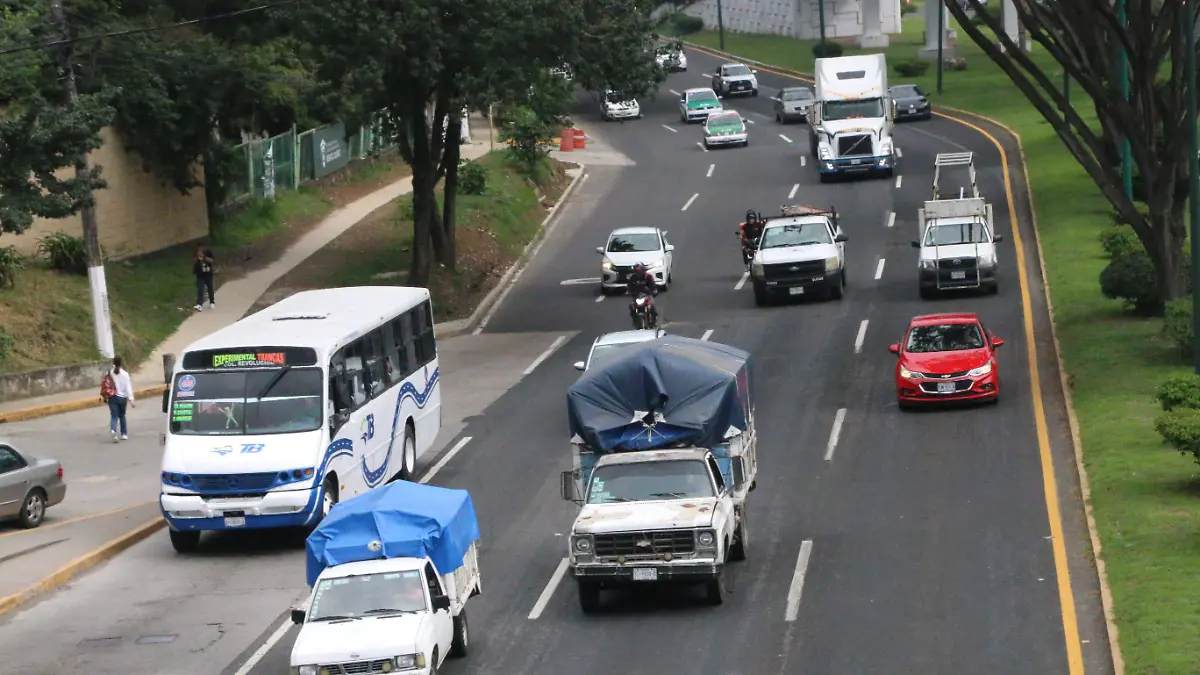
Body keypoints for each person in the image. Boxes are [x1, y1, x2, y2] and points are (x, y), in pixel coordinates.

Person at [104, 356, 135, 442]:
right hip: (122, 398)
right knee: (122, 415)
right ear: (121, 363)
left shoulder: (109, 372)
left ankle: (113, 431)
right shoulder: (125, 374)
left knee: (114, 416)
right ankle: (124, 434)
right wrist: (131, 399)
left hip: (112, 397)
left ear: (113, 363)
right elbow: (128, 387)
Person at [626, 263, 659, 327]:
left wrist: (654, 291)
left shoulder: (648, 277)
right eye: (637, 272)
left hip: (647, 295)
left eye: (640, 272)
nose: (638, 274)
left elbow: (653, 286)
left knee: (651, 306)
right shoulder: (632, 278)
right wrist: (630, 292)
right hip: (637, 296)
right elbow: (629, 287)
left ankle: (653, 320)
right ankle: (635, 320)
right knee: (632, 307)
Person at [193, 244, 216, 311]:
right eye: (198, 249)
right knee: (200, 288)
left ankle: (212, 302)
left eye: (201, 249)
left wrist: (204, 257)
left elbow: (212, 260)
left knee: (210, 287)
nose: (199, 251)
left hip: (208, 274)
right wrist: (197, 258)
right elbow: (193, 259)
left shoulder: (208, 252)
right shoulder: (196, 253)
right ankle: (199, 304)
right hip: (200, 274)